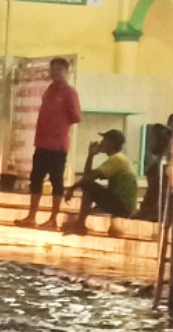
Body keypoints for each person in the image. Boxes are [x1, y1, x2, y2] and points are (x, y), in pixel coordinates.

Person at [19, 57, 81, 226]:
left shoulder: (69, 92)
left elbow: (76, 117)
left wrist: (59, 124)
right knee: (36, 178)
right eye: (53, 69)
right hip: (41, 143)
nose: (55, 73)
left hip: (58, 145)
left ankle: (53, 219)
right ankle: (31, 216)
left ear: (66, 72)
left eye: (59, 70)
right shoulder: (49, 90)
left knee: (56, 180)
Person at [70, 128, 138, 226]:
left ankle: (81, 221)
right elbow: (88, 176)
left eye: (104, 140)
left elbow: (88, 179)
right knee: (87, 184)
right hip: (122, 204)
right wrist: (91, 155)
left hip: (123, 206)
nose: (101, 143)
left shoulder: (117, 159)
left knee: (87, 185)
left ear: (111, 143)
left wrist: (72, 188)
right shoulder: (117, 158)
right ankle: (82, 219)